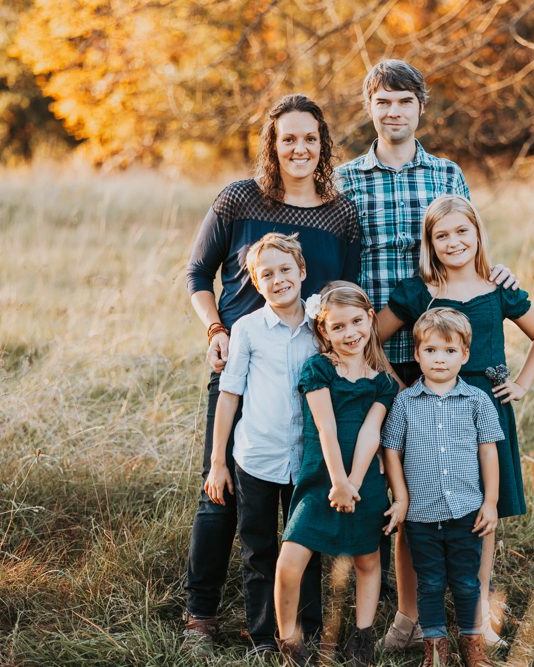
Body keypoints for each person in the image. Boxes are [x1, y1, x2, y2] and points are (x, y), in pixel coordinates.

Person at [335, 59, 517, 644]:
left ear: (420, 106)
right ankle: (410, 616)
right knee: (408, 487)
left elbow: (468, 238)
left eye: (403, 102)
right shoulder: (347, 179)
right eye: (382, 102)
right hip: (387, 350)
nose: (393, 112)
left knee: (464, 482)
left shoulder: (446, 172)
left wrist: (498, 274)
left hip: (447, 349)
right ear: (370, 107)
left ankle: (478, 610)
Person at [183, 94, 360, 651]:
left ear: (323, 144)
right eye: (288, 138)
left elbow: (346, 296)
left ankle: (292, 626)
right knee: (225, 492)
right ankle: (201, 617)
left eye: (310, 138)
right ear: (273, 144)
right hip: (243, 361)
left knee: (303, 498)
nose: (299, 148)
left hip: (312, 376)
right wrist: (216, 330)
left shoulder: (340, 213)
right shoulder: (240, 199)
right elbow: (196, 274)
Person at [377, 195, 534, 650]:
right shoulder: (419, 290)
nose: (453, 242)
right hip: (426, 414)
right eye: (442, 235)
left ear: (477, 234)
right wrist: (400, 388)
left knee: (482, 512)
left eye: (462, 231)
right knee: (415, 509)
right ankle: (408, 619)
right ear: (429, 244)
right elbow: (373, 340)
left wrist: (521, 384)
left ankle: (476, 619)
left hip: (484, 411)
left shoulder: (498, 288)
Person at [201, 232, 322, 653]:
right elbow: (230, 393)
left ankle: (304, 631)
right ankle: (261, 636)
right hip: (256, 457)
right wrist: (218, 463)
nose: (278, 280)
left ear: (302, 272)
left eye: (286, 270)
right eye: (266, 274)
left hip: (307, 459)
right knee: (258, 549)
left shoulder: (321, 326)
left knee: (304, 547)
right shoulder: (248, 329)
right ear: (255, 282)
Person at [273, 281, 402, 667]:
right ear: (323, 332)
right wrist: (338, 482)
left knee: (367, 561)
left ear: (370, 319)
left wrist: (355, 484)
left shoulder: (381, 381)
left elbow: (370, 432)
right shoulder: (319, 369)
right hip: (320, 481)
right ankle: (289, 642)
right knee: (290, 560)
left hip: (364, 486)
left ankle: (361, 637)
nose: (350, 334)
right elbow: (326, 427)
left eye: (357, 322)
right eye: (338, 327)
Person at [382, 308, 505, 667]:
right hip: (421, 514)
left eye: (450, 351)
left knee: (468, 583)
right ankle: (434, 650)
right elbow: (391, 450)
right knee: (431, 584)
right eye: (431, 350)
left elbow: (489, 452)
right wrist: (402, 497)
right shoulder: (404, 403)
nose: (440, 359)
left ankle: (474, 648)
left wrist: (491, 502)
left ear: (464, 355)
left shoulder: (477, 401)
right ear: (417, 354)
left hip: (467, 511)